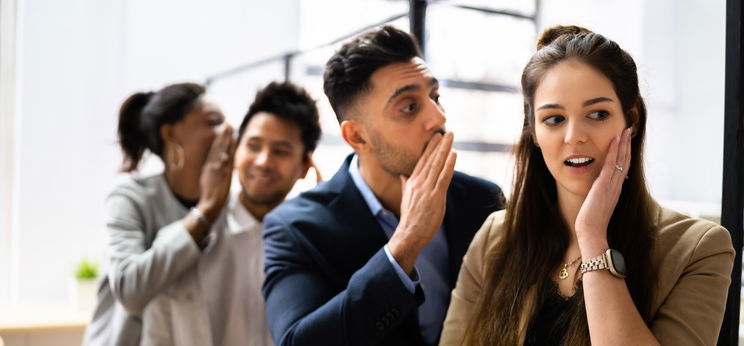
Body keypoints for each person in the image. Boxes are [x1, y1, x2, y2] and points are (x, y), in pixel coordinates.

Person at [439, 25, 735, 346]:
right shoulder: (495, 238)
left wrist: (593, 236)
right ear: (534, 132)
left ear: (631, 121)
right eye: (554, 119)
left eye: (597, 114)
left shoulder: (698, 249)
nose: (574, 136)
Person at [261, 25, 505, 346]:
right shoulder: (294, 227)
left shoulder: (482, 199)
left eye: (435, 97)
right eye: (409, 106)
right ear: (356, 137)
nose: (438, 118)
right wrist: (405, 244)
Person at [84, 81, 321, 346]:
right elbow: (131, 290)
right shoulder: (143, 201)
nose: (226, 132)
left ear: (305, 164)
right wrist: (205, 211)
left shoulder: (300, 235)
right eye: (213, 122)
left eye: (281, 151)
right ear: (170, 133)